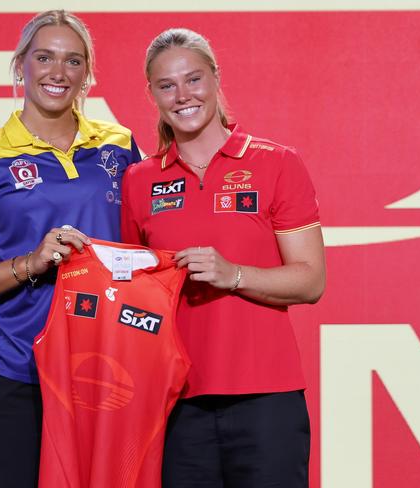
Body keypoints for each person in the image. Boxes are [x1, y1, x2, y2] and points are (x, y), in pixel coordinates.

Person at [0, 10, 141, 487]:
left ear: (87, 73)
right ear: (20, 65)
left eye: (73, 61)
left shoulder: (120, 145)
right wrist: (32, 262)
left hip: (111, 370)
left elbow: (148, 243)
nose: (58, 72)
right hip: (23, 371)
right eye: (44, 57)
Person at [121, 28, 326, 488]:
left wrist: (233, 274)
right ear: (151, 93)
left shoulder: (277, 163)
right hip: (175, 402)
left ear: (215, 79)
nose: (182, 95)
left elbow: (311, 280)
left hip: (267, 398)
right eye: (166, 85)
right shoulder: (138, 180)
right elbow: (132, 290)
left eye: (193, 79)